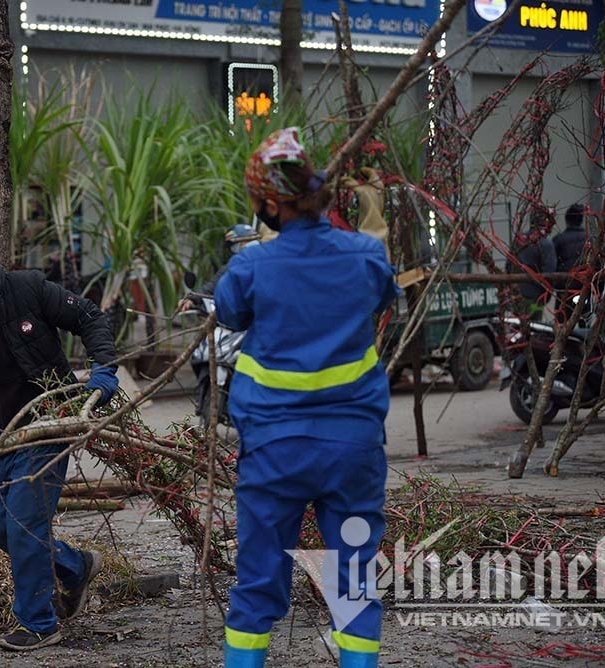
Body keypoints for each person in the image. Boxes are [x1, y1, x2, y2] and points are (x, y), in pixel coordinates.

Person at [214, 128, 398, 668]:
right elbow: (384, 291)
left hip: (275, 452)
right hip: (353, 450)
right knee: (354, 582)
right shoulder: (364, 255)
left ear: (270, 205)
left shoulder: (251, 266)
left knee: (257, 585)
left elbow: (226, 311)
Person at [0, 215, 119, 652]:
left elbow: (90, 317)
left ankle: (38, 622)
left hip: (43, 428)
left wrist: (103, 368)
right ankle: (74, 566)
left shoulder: (26, 289)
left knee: (25, 525)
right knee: (0, 526)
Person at [175, 223, 260, 313]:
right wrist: (192, 298)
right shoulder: (233, 266)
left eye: (249, 241)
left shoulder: (267, 262)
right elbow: (212, 286)